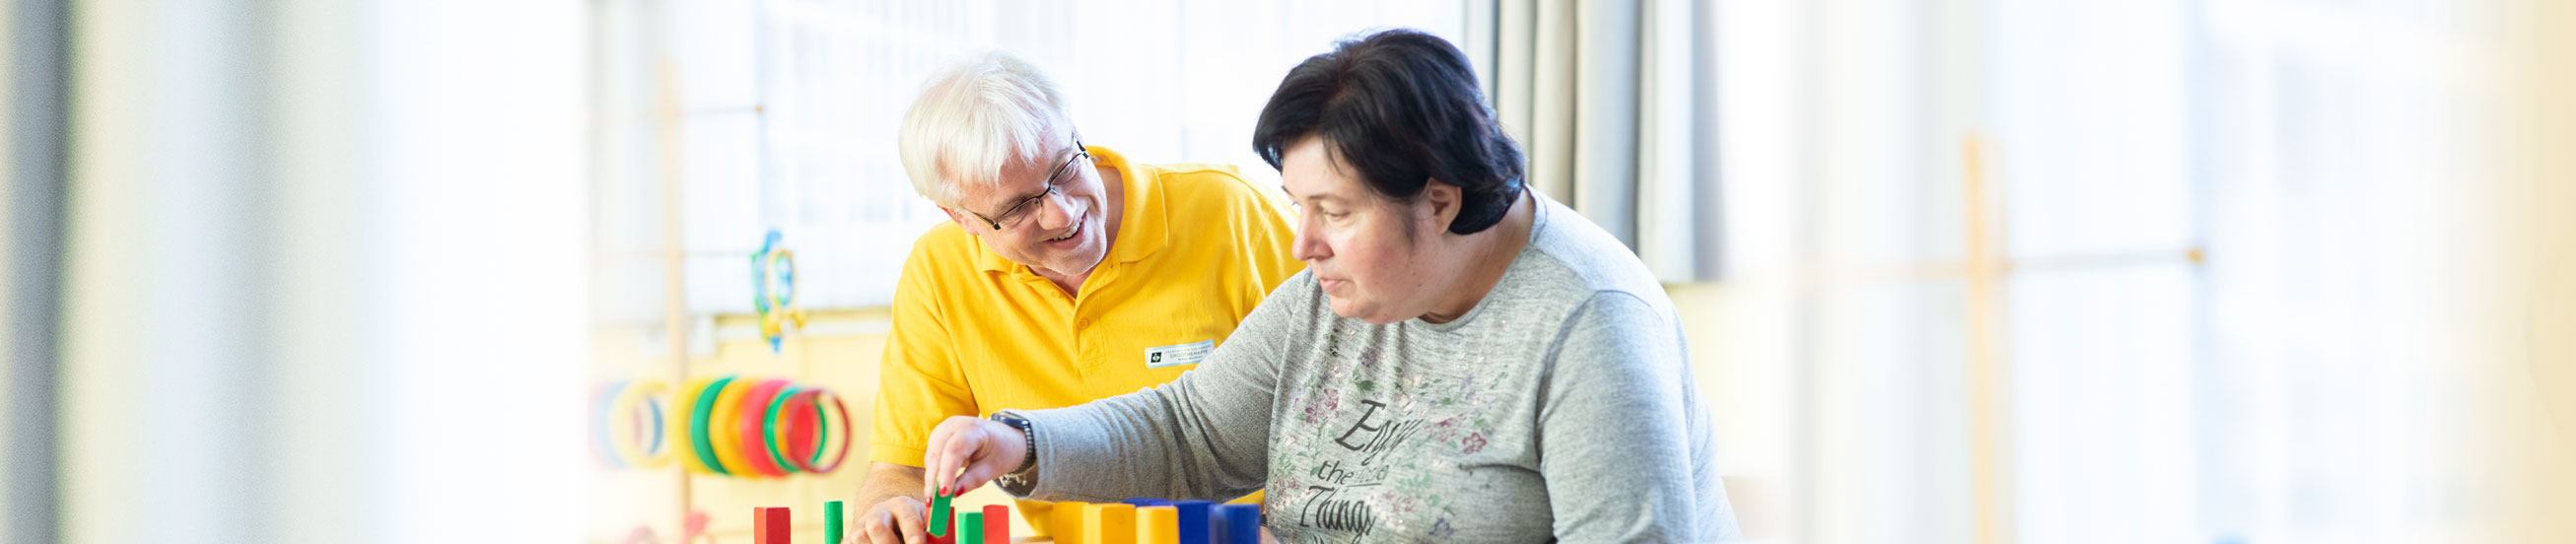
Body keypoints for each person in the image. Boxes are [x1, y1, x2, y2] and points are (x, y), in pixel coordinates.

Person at [915, 30, 1742, 541]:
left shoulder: (1590, 327)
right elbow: (1192, 431)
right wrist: (1024, 445)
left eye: (1333, 213)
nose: (1302, 245)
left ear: (1439, 201)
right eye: (1297, 208)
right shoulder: (1341, 291)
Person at [851, 51, 1303, 543]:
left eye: (1064, 169)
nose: (1061, 214)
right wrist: (889, 510)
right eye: (1019, 207)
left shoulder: (1234, 214)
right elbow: (900, 467)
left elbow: (1350, 417)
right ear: (960, 218)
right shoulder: (939, 270)